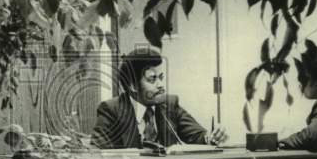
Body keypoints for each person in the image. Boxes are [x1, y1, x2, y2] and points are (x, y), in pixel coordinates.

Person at [91, 48, 228, 149]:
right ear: (132, 86)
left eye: (160, 78)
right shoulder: (111, 110)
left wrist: (211, 137)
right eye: (152, 79)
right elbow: (98, 153)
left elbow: (197, 135)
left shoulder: (169, 104)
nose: (161, 85)